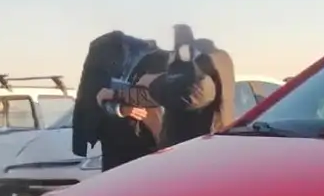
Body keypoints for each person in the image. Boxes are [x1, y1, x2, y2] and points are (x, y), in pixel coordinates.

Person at [97, 25, 236, 147]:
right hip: (208, 143)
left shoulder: (196, 62)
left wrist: (120, 93)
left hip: (192, 149)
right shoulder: (220, 58)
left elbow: (187, 94)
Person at [73, 31, 167, 172]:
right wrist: (121, 108)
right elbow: (96, 97)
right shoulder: (105, 68)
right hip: (122, 140)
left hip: (142, 139)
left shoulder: (155, 63)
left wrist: (116, 98)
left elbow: (156, 95)